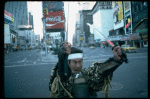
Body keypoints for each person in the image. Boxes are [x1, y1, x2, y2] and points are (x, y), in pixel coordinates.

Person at [49, 42, 128, 98]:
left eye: (80, 61)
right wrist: (62, 61)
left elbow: (99, 71)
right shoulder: (61, 77)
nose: (78, 65)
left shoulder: (87, 74)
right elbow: (63, 78)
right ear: (68, 62)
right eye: (74, 62)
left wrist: (115, 61)